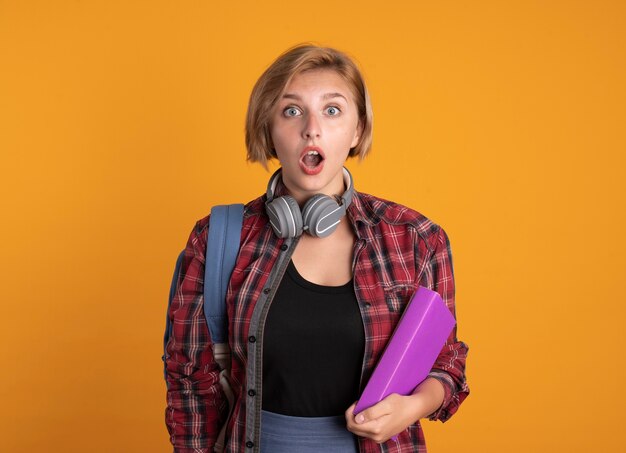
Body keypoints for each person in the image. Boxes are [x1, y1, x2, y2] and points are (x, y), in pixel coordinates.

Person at [165, 44, 469, 453]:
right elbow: (189, 382)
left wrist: (413, 406)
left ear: (358, 130)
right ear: (268, 129)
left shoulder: (416, 238)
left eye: (332, 110)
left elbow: (446, 361)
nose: (312, 128)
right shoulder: (217, 239)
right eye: (291, 111)